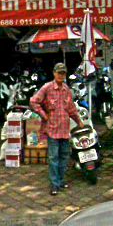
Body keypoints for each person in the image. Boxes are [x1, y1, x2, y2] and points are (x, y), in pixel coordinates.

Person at [29, 62, 82, 196]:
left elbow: (71, 109)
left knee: (64, 156)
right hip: (52, 129)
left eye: (63, 73)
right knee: (53, 158)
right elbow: (33, 101)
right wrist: (43, 115)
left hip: (64, 129)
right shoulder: (47, 88)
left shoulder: (66, 90)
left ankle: (61, 180)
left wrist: (79, 122)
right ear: (54, 73)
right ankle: (54, 184)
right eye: (59, 73)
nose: (61, 75)